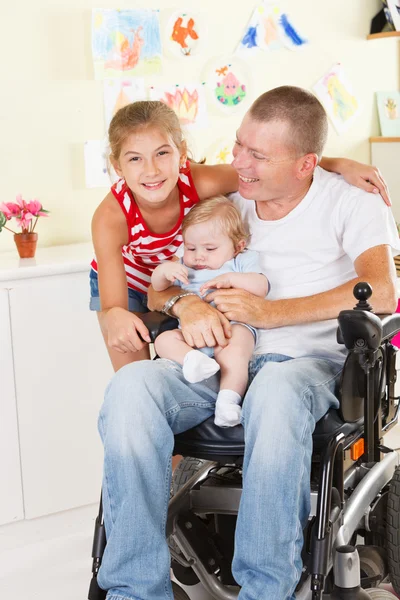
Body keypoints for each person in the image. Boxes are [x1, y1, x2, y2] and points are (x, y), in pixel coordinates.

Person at [96, 86, 400, 600]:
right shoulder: (230, 207)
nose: (238, 162)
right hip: (220, 359)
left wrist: (270, 312)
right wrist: (180, 305)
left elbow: (385, 289)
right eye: (239, 146)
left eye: (256, 155)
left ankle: (266, 591)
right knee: (132, 388)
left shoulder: (351, 203)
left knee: (276, 388)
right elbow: (171, 281)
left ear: (306, 164)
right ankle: (133, 591)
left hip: (307, 365)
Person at [90, 100, 391, 372]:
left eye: (162, 154)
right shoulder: (110, 218)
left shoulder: (200, 182)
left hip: (187, 268)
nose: (152, 170)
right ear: (117, 166)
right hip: (128, 278)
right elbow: (113, 306)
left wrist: (340, 164)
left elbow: (277, 167)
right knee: (133, 371)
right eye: (134, 159)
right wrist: (112, 315)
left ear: (181, 154)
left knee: (188, 352)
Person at [151, 195, 269, 427]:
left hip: (230, 330)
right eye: (191, 247)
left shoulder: (240, 262)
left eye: (210, 248)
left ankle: (228, 400)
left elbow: (262, 286)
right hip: (190, 335)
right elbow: (157, 287)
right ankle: (191, 361)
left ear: (238, 246)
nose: (199, 256)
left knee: (237, 350)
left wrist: (232, 278)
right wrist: (165, 271)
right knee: (164, 339)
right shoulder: (185, 266)